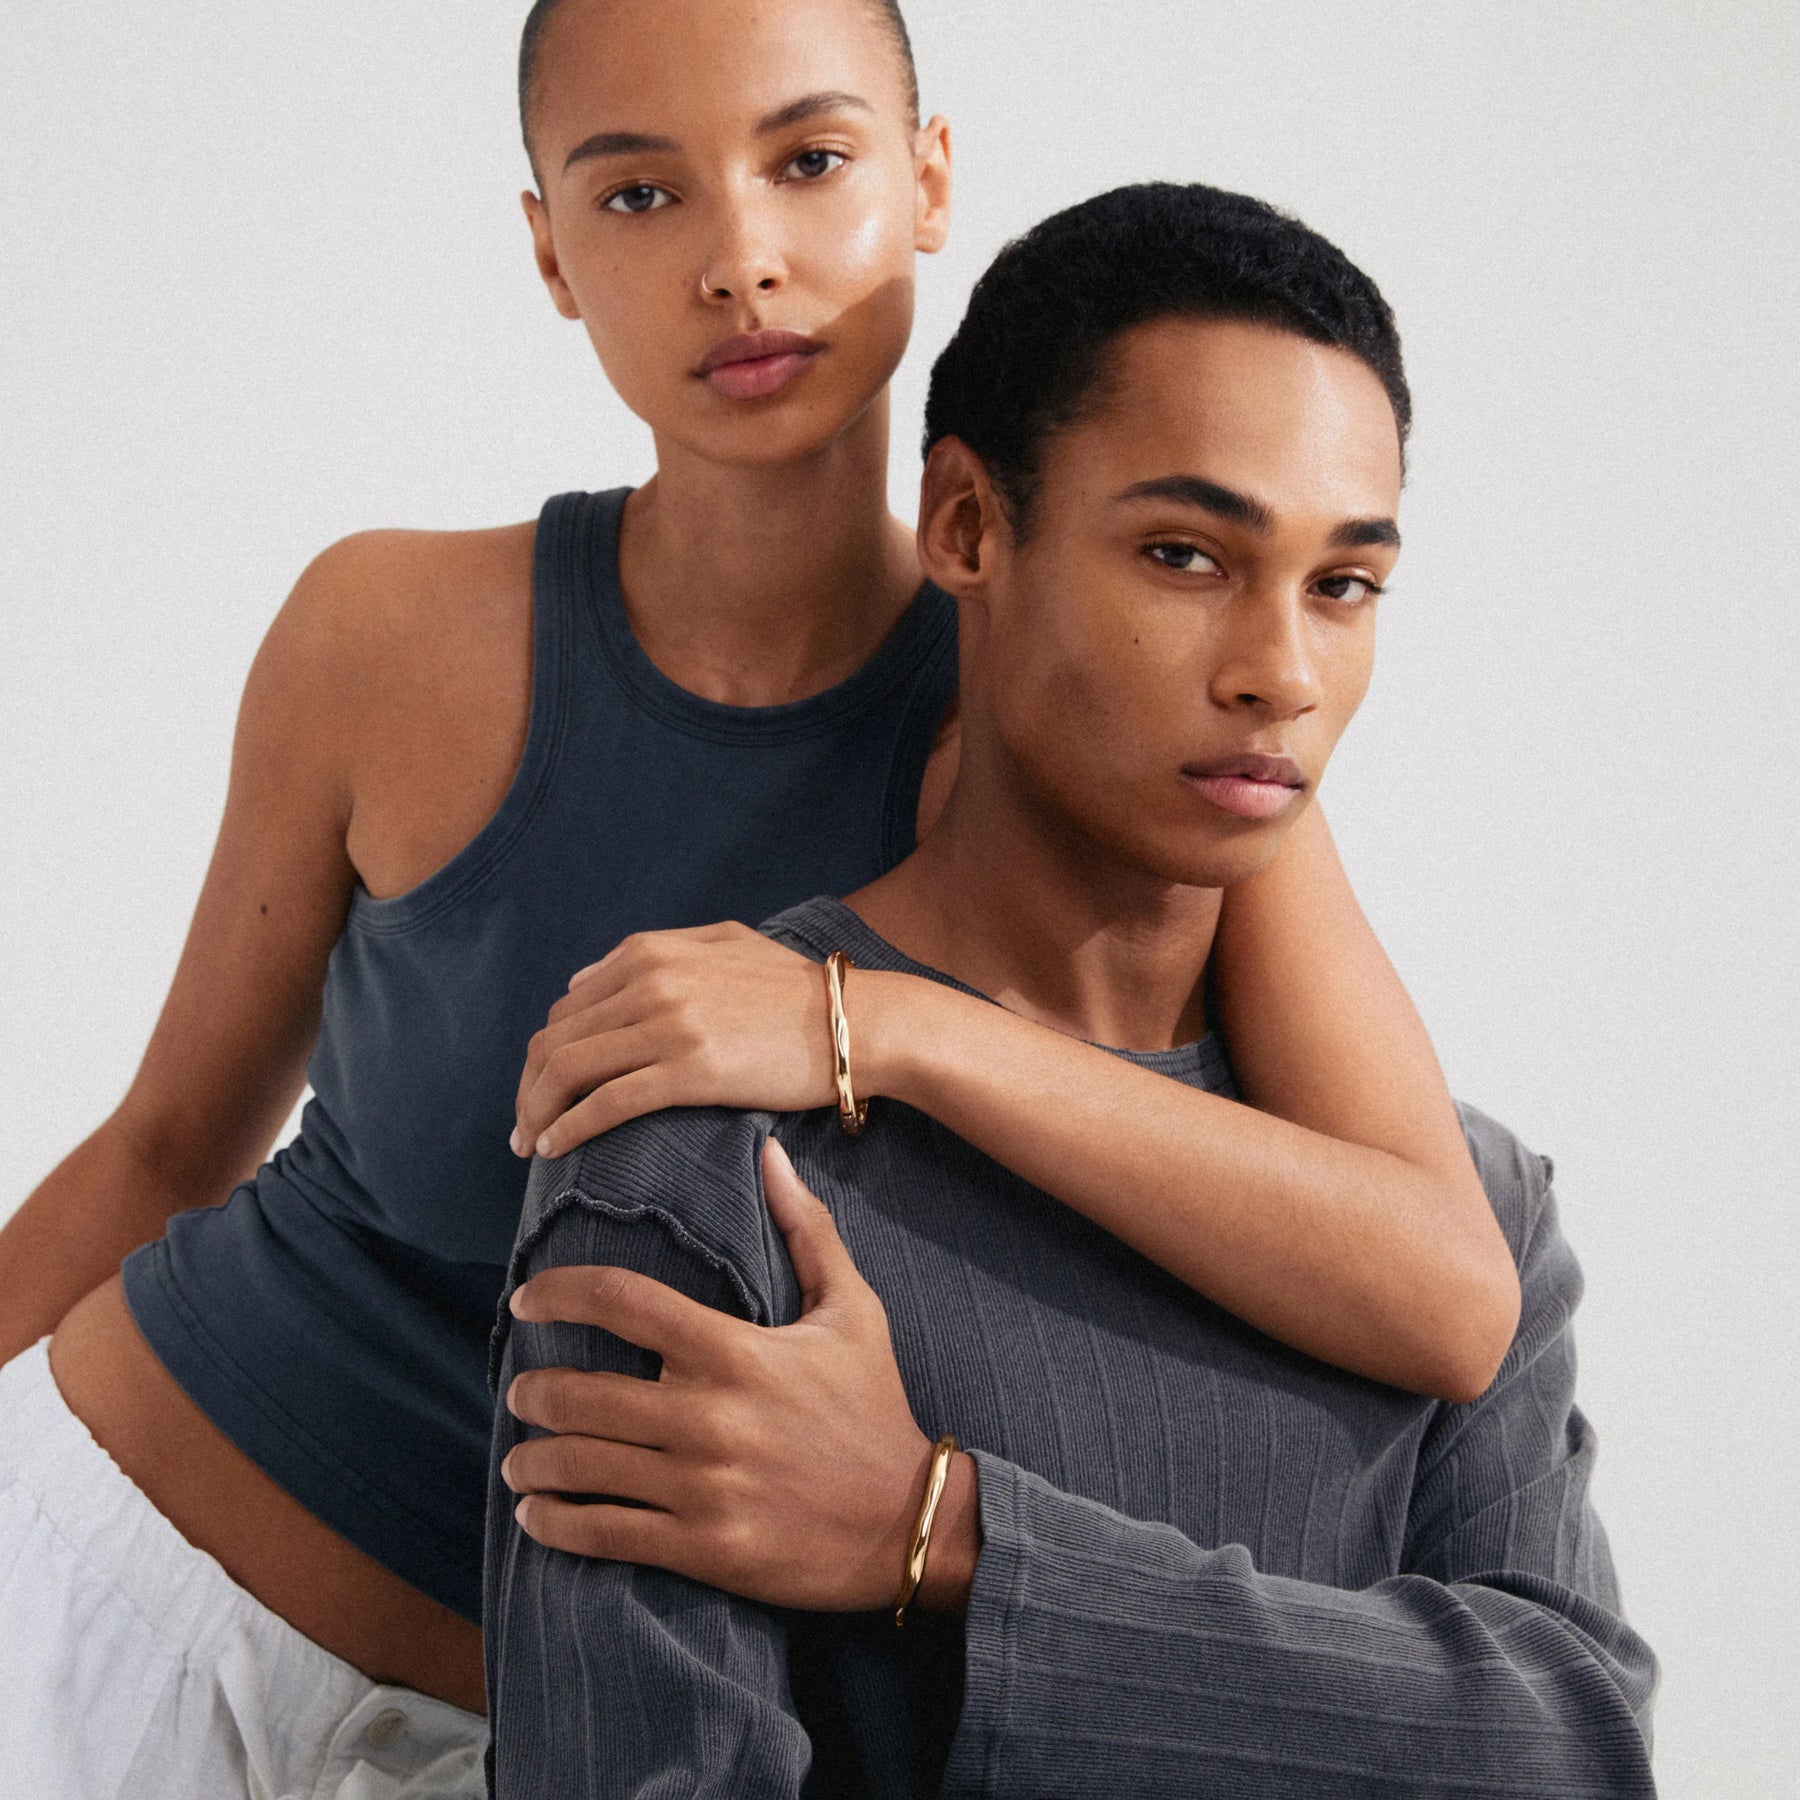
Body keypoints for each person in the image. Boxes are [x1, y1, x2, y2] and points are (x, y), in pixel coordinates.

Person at [0, 1, 1511, 1793]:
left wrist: (875, 1028)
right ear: (551, 253)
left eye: (810, 160)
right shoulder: (385, 636)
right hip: (109, 1578)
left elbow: (1443, 1290)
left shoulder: (1082, 723)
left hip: (546, 1718)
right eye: (640, 195)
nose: (741, 260)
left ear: (928, 180)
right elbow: (168, 1146)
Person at [486, 183, 1659, 1797]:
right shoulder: (698, 1157)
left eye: (1342, 584)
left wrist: (955, 1538)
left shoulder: (1478, 1210)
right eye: (1185, 555)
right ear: (968, 527)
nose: (1281, 673)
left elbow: (1570, 1749)